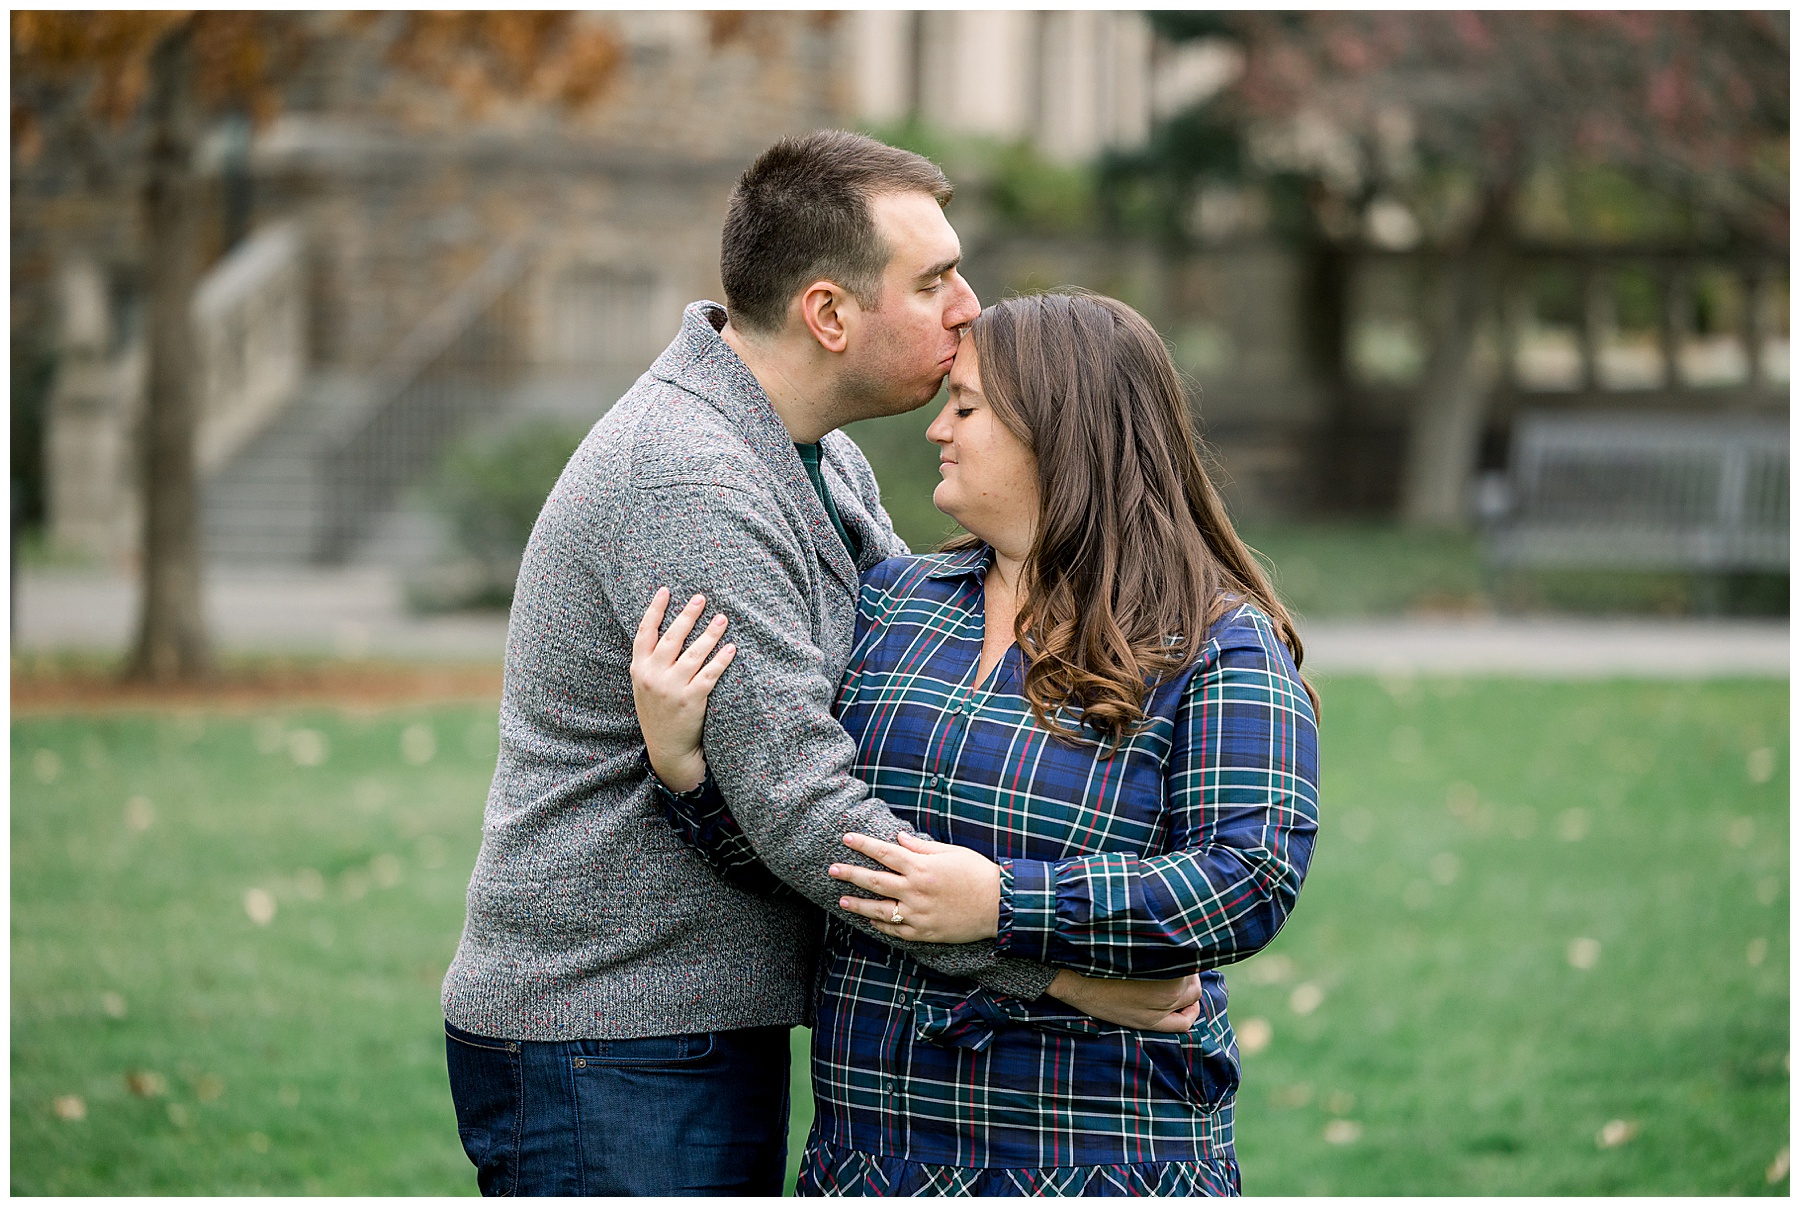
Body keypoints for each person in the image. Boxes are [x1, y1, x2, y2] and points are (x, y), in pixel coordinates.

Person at [440, 132, 1202, 1197]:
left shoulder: (813, 452)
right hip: (612, 1031)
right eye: (932, 280)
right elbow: (807, 806)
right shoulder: (690, 482)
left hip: (693, 1019)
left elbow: (898, 681)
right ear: (830, 315)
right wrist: (1066, 972)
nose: (969, 306)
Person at [632, 290, 1321, 1195]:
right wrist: (688, 774)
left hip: (1092, 1157)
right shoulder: (895, 601)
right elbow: (822, 860)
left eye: (966, 407)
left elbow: (1249, 878)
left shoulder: (1215, 643)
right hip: (874, 1160)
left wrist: (1004, 902)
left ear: (1059, 432)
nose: (936, 430)